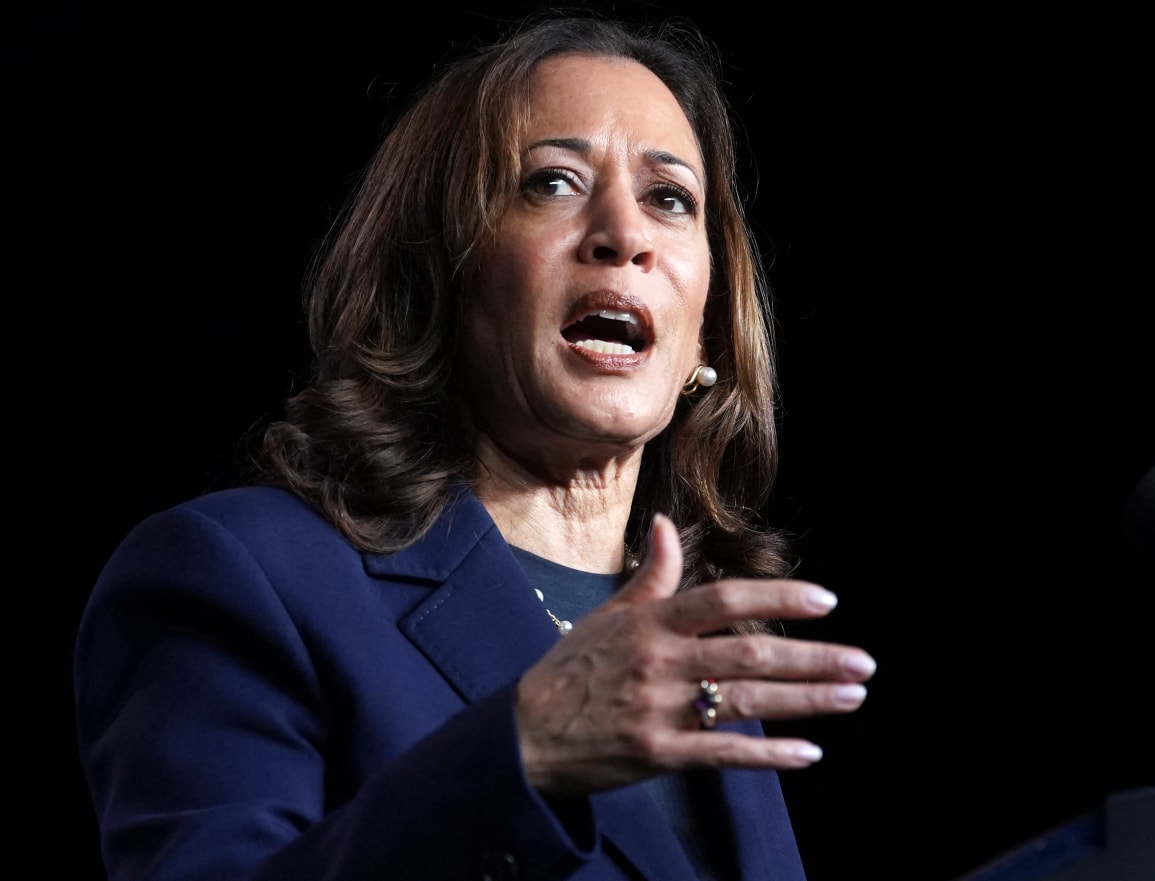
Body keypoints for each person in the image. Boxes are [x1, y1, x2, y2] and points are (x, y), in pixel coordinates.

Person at [73, 10, 877, 881]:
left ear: (709, 332)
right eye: (553, 184)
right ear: (433, 270)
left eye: (670, 198)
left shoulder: (700, 639)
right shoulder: (243, 574)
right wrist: (520, 756)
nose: (626, 234)